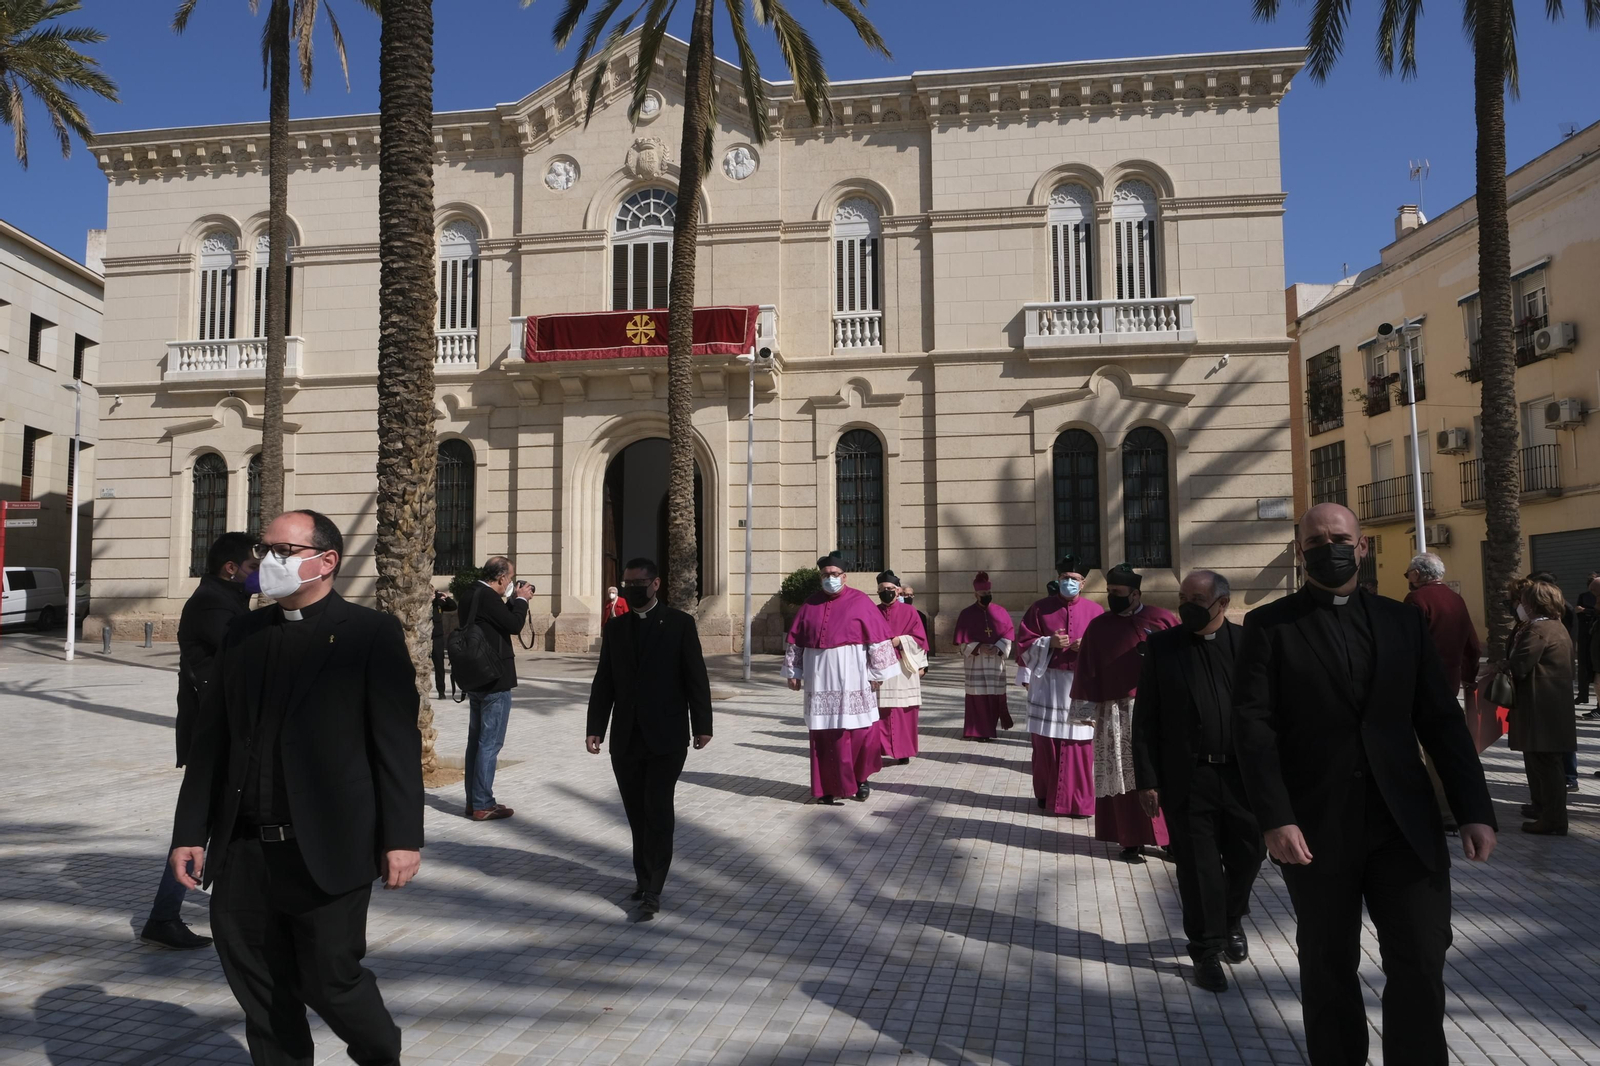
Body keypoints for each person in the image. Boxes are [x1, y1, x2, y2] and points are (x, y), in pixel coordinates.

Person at [1232, 502, 1496, 1064]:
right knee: (1327, 967)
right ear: (1301, 553)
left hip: (1405, 825)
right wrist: (1275, 817)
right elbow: (1254, 730)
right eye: (1316, 540)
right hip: (1317, 828)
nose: (1329, 547)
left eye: (1340, 537)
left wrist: (1474, 808)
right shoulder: (1269, 626)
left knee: (1422, 960)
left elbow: (1440, 720)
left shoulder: (1403, 622)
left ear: (1362, 546)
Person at [168, 509, 423, 1066]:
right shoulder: (243, 632)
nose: (268, 561)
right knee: (262, 993)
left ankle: (382, 1052)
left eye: (283, 550)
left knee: (332, 980)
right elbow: (213, 742)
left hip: (327, 849)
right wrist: (190, 832)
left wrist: (402, 837)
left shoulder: (370, 634)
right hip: (243, 851)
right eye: (264, 550)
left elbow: (396, 745)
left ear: (326, 561)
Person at [1132, 570, 1261, 992]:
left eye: (1197, 598)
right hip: (1189, 778)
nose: (1186, 604)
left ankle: (1230, 920)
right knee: (1198, 868)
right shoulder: (1161, 647)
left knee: (1248, 856)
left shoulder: (1249, 645)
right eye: (1182, 596)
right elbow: (1146, 718)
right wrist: (1147, 780)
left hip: (1244, 778)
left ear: (1222, 603)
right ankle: (1206, 949)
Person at [142, 531, 258, 952]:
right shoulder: (213, 602)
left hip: (227, 727)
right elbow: (244, 650)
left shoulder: (226, 598)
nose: (259, 575)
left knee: (209, 823)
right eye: (253, 568)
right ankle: (163, 916)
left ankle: (165, 915)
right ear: (231, 569)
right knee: (200, 825)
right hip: (215, 732)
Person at [586, 557, 713, 917]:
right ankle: (643, 880)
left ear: (655, 584)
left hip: (667, 737)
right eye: (627, 583)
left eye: (639, 583)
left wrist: (702, 724)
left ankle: (654, 889)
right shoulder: (616, 628)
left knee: (657, 810)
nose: (632, 589)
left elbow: (696, 678)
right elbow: (604, 682)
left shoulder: (680, 624)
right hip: (626, 739)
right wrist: (595, 727)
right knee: (636, 813)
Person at [1072, 562, 1177, 863]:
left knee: (1162, 773)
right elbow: (1086, 669)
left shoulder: (1161, 619)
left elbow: (1184, 656)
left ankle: (1169, 839)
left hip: (1158, 708)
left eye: (1117, 592)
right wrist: (1086, 708)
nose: (1111, 597)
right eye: (1109, 592)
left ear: (1135, 594)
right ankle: (1130, 839)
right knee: (1121, 775)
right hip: (1115, 711)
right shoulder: (1099, 626)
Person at [782, 553, 898, 805]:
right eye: (825, 575)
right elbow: (796, 641)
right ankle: (826, 788)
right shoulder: (810, 604)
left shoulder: (860, 602)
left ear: (844, 576)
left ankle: (860, 780)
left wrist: (877, 674)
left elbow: (878, 640)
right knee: (824, 736)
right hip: (819, 680)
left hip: (853, 679)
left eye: (835, 574)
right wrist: (794, 672)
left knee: (859, 734)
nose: (830, 579)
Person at [1016, 556, 1105, 815]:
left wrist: (1086, 647)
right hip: (1048, 682)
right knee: (1046, 742)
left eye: (1074, 579)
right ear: (1057, 580)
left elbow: (1105, 648)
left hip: (1080, 683)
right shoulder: (1039, 608)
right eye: (1064, 578)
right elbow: (1023, 644)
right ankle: (1046, 794)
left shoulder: (1095, 611)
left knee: (1080, 744)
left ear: (1084, 583)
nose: (1069, 582)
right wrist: (1048, 644)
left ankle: (1078, 802)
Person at [1403, 552, 1482, 829]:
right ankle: (1451, 809)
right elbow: (1472, 643)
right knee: (1445, 747)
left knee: (1420, 749)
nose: (1408, 578)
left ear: (1418, 574)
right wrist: (1469, 678)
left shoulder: (1417, 600)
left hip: (1419, 686)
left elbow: (1407, 644)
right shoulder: (1456, 599)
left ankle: (1433, 808)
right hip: (1448, 684)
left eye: (1408, 573)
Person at [459, 557, 532, 821]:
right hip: (495, 680)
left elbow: (494, 622)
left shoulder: (471, 594)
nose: (511, 584)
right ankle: (483, 803)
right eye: (510, 580)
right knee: (489, 744)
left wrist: (512, 603)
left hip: (476, 677)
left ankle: (474, 800)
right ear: (501, 578)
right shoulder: (489, 597)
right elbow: (513, 625)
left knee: (475, 743)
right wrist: (522, 601)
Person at [1506, 579, 1576, 835]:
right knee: (1547, 763)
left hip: (1540, 705)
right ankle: (1547, 811)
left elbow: (1519, 665)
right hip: (1552, 704)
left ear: (1534, 604)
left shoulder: (1538, 630)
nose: (1520, 606)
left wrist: (1499, 668)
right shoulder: (1556, 627)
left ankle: (1553, 818)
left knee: (1546, 764)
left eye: (1524, 602)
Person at [873, 569, 928, 765]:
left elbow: (921, 639)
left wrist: (900, 640)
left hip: (903, 666)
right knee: (882, 711)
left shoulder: (910, 612)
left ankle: (903, 751)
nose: (885, 592)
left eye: (889, 588)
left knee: (903, 711)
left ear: (897, 591)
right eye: (881, 589)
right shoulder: (873, 611)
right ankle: (880, 749)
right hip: (880, 667)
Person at [954, 572, 1014, 742]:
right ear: (975, 594)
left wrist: (998, 647)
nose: (986, 596)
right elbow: (961, 642)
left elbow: (1009, 634)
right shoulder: (966, 614)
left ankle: (989, 730)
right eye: (983, 594)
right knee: (977, 697)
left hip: (995, 661)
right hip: (976, 661)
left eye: (988, 594)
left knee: (993, 696)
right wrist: (979, 647)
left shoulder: (1001, 612)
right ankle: (975, 730)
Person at [430, 588, 457, 702]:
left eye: (432, 592)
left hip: (437, 637)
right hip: (424, 638)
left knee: (439, 665)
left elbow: (452, 606)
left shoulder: (438, 603)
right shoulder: (421, 604)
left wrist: (446, 597)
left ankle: (441, 691)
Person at [1578, 572, 1597, 712]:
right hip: (1586, 633)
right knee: (1584, 666)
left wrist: (1586, 611)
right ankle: (1582, 694)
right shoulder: (1584, 596)